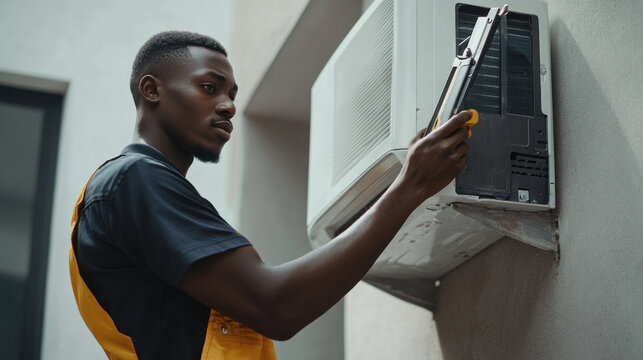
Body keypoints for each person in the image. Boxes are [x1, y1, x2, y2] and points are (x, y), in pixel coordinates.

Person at [69, 31, 472, 360]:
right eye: (209, 87)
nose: (227, 105)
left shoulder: (129, 189)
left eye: (232, 94)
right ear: (151, 90)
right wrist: (410, 187)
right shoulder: (134, 181)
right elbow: (278, 306)